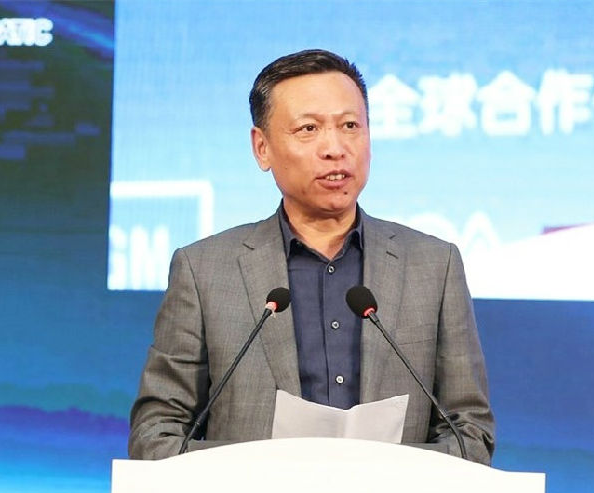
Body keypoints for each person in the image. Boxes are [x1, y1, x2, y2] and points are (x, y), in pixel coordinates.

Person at [128, 49, 495, 464]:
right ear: (262, 147)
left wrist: (386, 474)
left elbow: (470, 432)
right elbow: (156, 434)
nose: (335, 148)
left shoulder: (434, 265)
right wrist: (264, 471)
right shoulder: (204, 271)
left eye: (350, 126)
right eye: (309, 129)